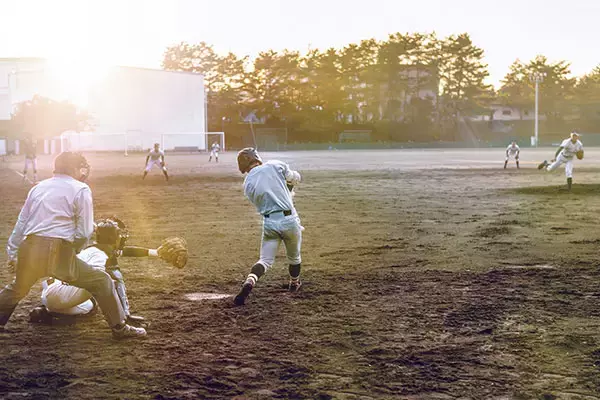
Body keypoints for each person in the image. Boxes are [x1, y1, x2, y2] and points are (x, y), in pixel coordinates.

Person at [0, 152, 146, 338]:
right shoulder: (81, 189)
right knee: (102, 281)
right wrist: (73, 250)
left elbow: (21, 223)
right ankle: (120, 328)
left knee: (18, 288)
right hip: (58, 249)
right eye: (81, 167)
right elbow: (84, 231)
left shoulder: (37, 188)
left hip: (30, 247)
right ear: (74, 168)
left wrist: (13, 253)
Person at [29, 217, 154, 327]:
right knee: (109, 279)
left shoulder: (88, 250)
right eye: (118, 235)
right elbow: (102, 281)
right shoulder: (101, 256)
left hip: (51, 292)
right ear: (112, 238)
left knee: (90, 305)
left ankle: (46, 313)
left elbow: (125, 251)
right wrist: (124, 314)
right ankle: (122, 323)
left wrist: (155, 252)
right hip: (62, 294)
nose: (121, 238)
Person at [233, 148, 303, 306]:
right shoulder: (274, 165)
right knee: (294, 257)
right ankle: (294, 283)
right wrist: (291, 184)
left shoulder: (247, 184)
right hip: (289, 220)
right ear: (256, 158)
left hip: (269, 223)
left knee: (264, 260)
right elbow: (294, 178)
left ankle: (250, 281)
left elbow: (267, 196)